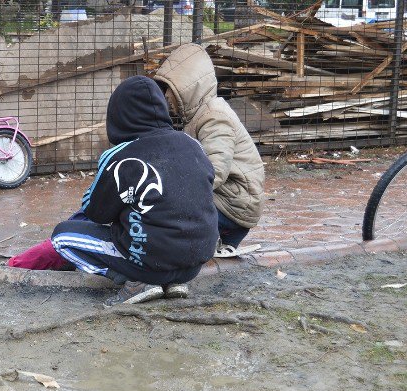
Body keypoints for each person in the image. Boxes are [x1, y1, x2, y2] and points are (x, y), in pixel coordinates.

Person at [48, 76, 219, 307]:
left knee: (61, 237)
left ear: (117, 116)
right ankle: (173, 282)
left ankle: (137, 281)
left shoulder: (120, 156)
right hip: (193, 266)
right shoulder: (192, 144)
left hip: (149, 261)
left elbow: (96, 212)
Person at [153, 43, 265, 252]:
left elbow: (215, 169)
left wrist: (177, 191)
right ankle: (210, 239)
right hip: (229, 200)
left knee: (173, 209)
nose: (166, 98)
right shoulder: (199, 116)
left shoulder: (214, 117)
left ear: (186, 88)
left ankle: (208, 238)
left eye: (169, 91)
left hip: (234, 206)